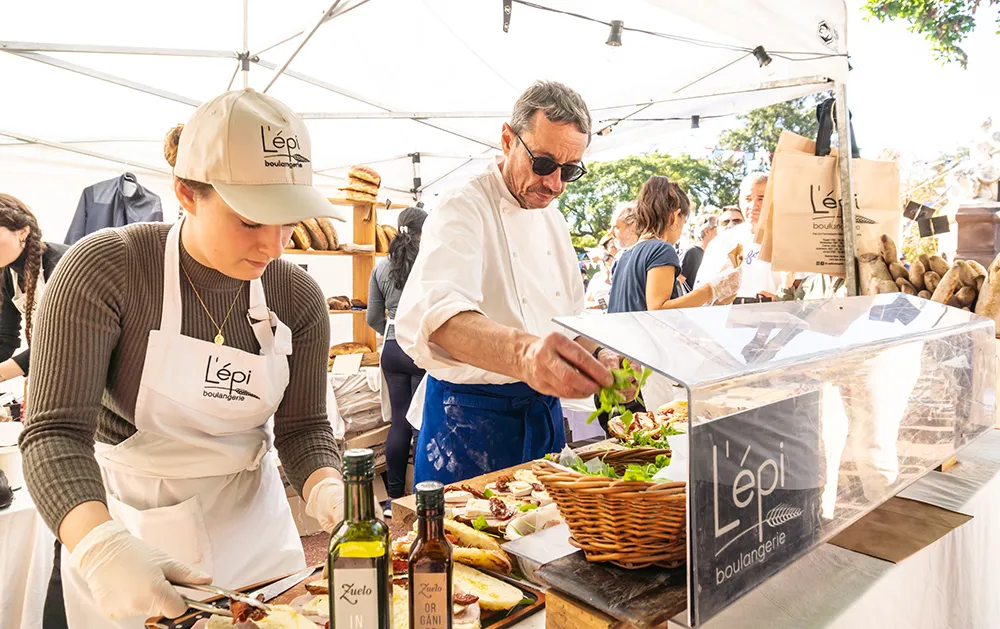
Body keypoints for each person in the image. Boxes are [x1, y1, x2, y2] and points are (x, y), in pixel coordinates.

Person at [19, 88, 349, 628]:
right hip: (130, 533)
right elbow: (54, 432)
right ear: (187, 193)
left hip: (255, 537)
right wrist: (101, 546)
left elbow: (304, 427)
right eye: (250, 220)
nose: (273, 245)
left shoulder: (297, 297)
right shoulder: (107, 269)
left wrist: (329, 487)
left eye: (287, 221)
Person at [395, 80, 630, 486]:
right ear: (508, 139)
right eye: (543, 164)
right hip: (467, 423)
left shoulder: (554, 220)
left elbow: (571, 325)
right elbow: (442, 319)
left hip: (543, 420)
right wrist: (526, 356)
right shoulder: (462, 207)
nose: (555, 184)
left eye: (569, 171)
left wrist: (604, 357)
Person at [366, 207, 428, 513]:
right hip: (420, 345)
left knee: (400, 421)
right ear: (422, 233)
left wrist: (391, 333)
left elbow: (373, 317)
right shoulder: (429, 263)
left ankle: (392, 498)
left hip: (391, 347)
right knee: (421, 422)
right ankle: (420, 495)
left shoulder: (380, 267)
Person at [608, 176, 739, 314]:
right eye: (684, 221)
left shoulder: (625, 254)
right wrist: (712, 289)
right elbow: (659, 308)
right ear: (675, 216)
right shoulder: (661, 249)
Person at [0, 195, 69, 382]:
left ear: (23, 231)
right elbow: (6, 339)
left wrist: (2, 372)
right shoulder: (9, 274)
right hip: (52, 370)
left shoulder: (63, 265)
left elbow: (64, 341)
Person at [696, 172, 783, 303]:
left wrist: (782, 298)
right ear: (739, 200)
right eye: (748, 199)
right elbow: (702, 289)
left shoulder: (786, 239)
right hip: (732, 318)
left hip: (777, 317)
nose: (754, 206)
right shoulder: (721, 242)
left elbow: (801, 286)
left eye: (761, 198)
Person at [679, 214, 717, 291]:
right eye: (718, 227)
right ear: (706, 231)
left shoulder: (712, 255)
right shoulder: (691, 252)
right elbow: (678, 283)